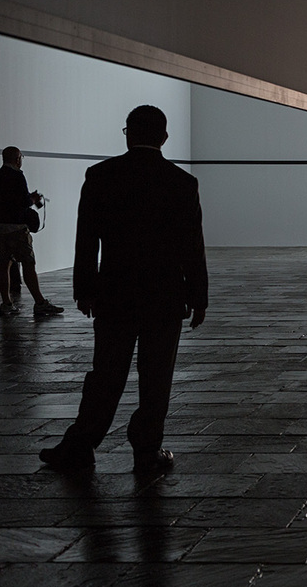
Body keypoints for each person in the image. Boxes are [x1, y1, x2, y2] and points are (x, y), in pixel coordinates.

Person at [39, 106, 208, 474]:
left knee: (106, 373)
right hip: (164, 296)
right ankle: (146, 451)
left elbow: (87, 240)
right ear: (164, 138)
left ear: (128, 133)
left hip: (115, 293)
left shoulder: (101, 176)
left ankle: (82, 443)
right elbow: (192, 245)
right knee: (156, 376)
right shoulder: (181, 182)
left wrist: (84, 289)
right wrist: (198, 296)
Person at [0, 147, 63, 317]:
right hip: (17, 228)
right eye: (21, 157)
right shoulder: (17, 176)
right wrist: (33, 199)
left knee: (4, 263)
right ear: (17, 159)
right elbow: (22, 201)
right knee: (28, 263)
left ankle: (6, 303)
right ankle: (40, 302)